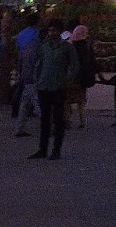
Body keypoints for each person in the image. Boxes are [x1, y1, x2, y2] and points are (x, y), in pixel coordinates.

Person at [31, 20, 78, 160]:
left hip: (59, 87)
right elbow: (39, 64)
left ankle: (56, 150)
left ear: (60, 32)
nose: (52, 33)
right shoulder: (45, 47)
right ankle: (42, 149)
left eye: (55, 30)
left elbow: (75, 66)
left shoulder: (67, 48)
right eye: (50, 30)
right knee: (44, 119)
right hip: (43, 86)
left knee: (58, 120)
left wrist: (67, 80)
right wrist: (37, 80)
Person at [12, 13, 40, 138]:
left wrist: (18, 69)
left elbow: (18, 53)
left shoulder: (21, 34)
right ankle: (47, 126)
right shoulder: (37, 35)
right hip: (33, 71)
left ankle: (19, 127)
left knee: (25, 101)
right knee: (36, 101)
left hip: (24, 69)